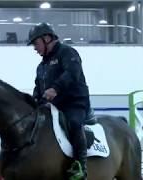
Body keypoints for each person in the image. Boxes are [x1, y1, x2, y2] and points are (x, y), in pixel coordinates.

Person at [27, 22, 90, 179]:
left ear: (47, 38)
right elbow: (38, 87)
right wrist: (33, 101)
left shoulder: (68, 53)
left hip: (74, 103)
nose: (35, 48)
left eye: (36, 43)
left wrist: (55, 88)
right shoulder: (41, 66)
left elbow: (72, 73)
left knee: (74, 123)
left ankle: (80, 166)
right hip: (53, 107)